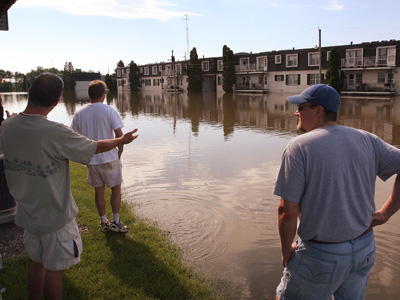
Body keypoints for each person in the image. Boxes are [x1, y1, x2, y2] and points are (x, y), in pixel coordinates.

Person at [0, 72, 138, 300]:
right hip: (55, 217)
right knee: (55, 272)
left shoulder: (7, 126)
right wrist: (121, 141)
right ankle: (112, 221)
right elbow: (93, 147)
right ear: (56, 102)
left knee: (37, 263)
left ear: (28, 93)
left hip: (27, 214)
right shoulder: (54, 132)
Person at [273, 84, 400, 300]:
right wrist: (385, 213)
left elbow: (287, 211)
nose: (296, 112)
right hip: (364, 249)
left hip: (320, 255)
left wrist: (286, 252)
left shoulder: (299, 147)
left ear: (318, 111)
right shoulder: (368, 139)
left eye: (301, 107)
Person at [71, 80, 128, 233]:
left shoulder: (79, 113)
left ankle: (104, 222)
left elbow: (75, 137)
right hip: (109, 158)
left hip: (92, 159)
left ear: (90, 94)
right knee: (116, 189)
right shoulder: (109, 111)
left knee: (99, 190)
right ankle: (116, 221)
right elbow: (119, 136)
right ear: (103, 95)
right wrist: (120, 152)